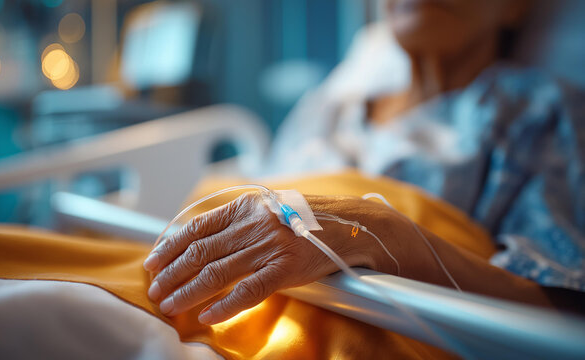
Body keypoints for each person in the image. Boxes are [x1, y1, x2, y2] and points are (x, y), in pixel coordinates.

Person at [143, 0, 584, 326]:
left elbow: (562, 313)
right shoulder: (328, 107)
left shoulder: (543, 111)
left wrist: (375, 232)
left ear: (514, 8)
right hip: (210, 307)